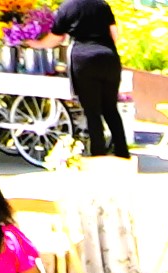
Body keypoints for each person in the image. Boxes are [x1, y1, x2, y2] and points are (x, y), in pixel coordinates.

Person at [53, 0, 130, 161]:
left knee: (92, 111)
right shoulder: (102, 5)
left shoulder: (67, 7)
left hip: (84, 60)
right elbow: (114, 34)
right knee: (110, 109)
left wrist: (33, 43)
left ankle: (99, 155)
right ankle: (123, 153)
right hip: (109, 58)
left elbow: (56, 38)